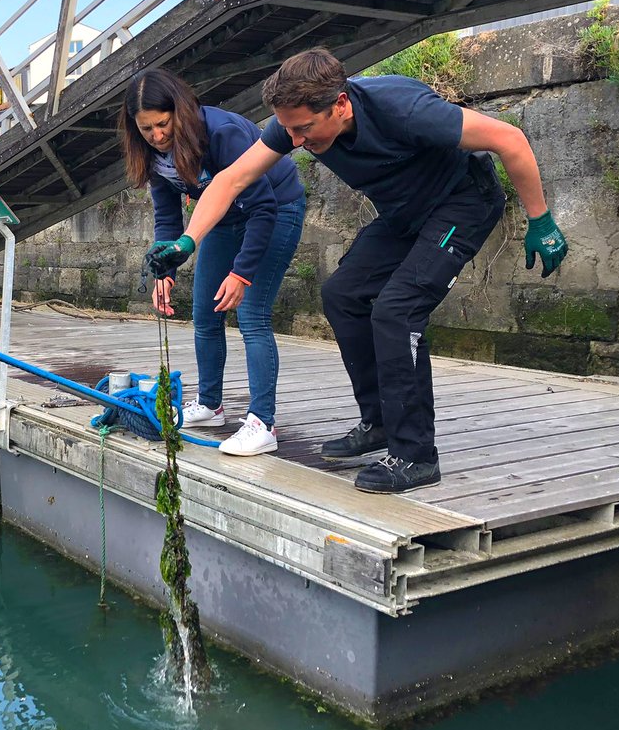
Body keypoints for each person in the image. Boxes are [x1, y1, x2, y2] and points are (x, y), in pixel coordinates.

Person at [145, 48, 567, 493]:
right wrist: (186, 241)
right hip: (405, 214)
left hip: (462, 204)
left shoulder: (404, 110)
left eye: (304, 128)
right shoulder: (293, 126)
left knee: (397, 311)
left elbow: (510, 139)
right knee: (343, 295)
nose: (296, 141)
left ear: (340, 105)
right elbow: (231, 180)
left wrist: (539, 220)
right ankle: (381, 422)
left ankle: (416, 454)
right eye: (289, 130)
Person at [120, 68, 306, 456]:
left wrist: (242, 272)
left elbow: (263, 207)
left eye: (162, 124)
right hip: (225, 217)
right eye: (145, 129)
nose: (156, 136)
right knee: (205, 312)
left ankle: (262, 423)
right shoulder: (155, 157)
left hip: (276, 209)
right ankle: (210, 405)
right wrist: (165, 272)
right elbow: (168, 218)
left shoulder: (222, 134)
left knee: (252, 314)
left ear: (179, 112)